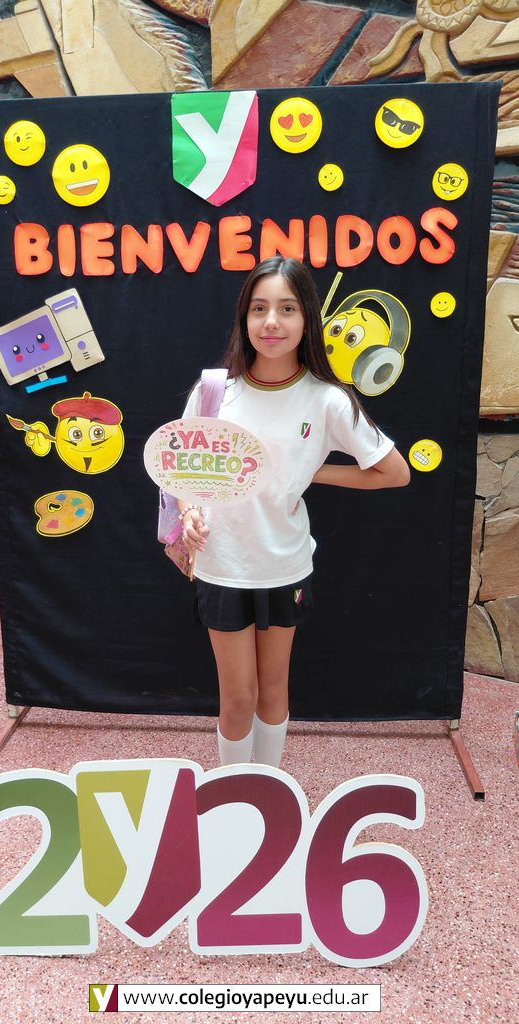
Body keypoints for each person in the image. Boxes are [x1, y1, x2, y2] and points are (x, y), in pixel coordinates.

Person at [178, 256, 410, 769]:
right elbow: (184, 473)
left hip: (285, 566)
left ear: (307, 317)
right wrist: (189, 510)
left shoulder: (327, 401)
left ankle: (268, 790)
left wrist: (310, 473)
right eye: (259, 308)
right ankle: (233, 792)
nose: (271, 322)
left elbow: (394, 472)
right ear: (244, 317)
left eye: (287, 308)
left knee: (272, 689)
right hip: (221, 565)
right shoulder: (213, 392)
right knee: (237, 696)